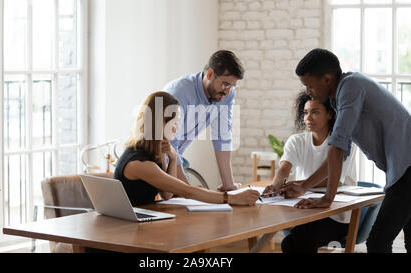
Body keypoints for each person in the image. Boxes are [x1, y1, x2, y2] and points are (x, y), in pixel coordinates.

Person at [281, 48, 411, 253]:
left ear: (327, 79)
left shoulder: (351, 86)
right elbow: (339, 154)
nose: (308, 92)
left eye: (309, 85)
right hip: (403, 169)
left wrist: (327, 198)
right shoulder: (339, 99)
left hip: (407, 170)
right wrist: (305, 186)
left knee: (378, 242)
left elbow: (336, 148)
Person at [113, 91, 260, 207]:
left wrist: (173, 157)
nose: (177, 128)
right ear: (160, 123)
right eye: (175, 122)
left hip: (144, 220)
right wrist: (233, 198)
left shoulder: (152, 151)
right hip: (128, 231)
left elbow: (167, 194)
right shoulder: (139, 162)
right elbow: (185, 191)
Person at [262, 91, 357, 252]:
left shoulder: (343, 142)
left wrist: (301, 185)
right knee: (295, 240)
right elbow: (285, 166)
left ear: (330, 114)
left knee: (296, 241)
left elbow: (333, 179)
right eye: (305, 112)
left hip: (336, 216)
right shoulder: (297, 141)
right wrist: (276, 185)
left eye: (315, 112)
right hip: (304, 211)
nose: (308, 118)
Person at [163, 50, 244, 192]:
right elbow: (169, 144)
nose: (227, 91)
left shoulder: (226, 95)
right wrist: (191, 192)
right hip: (155, 157)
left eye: (232, 86)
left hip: (176, 158)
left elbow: (222, 136)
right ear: (210, 74)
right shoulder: (179, 92)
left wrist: (228, 185)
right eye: (225, 84)